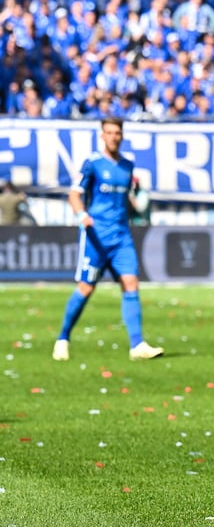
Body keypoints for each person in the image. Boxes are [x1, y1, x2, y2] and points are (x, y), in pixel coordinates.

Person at [53, 118, 164, 362]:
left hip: (121, 236)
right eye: (109, 132)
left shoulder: (127, 166)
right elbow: (74, 194)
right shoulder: (92, 163)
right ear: (102, 135)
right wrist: (82, 215)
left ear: (122, 136)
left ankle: (137, 345)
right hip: (96, 236)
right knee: (86, 288)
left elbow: (125, 201)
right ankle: (62, 339)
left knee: (131, 283)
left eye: (117, 133)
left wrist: (138, 211)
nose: (114, 137)